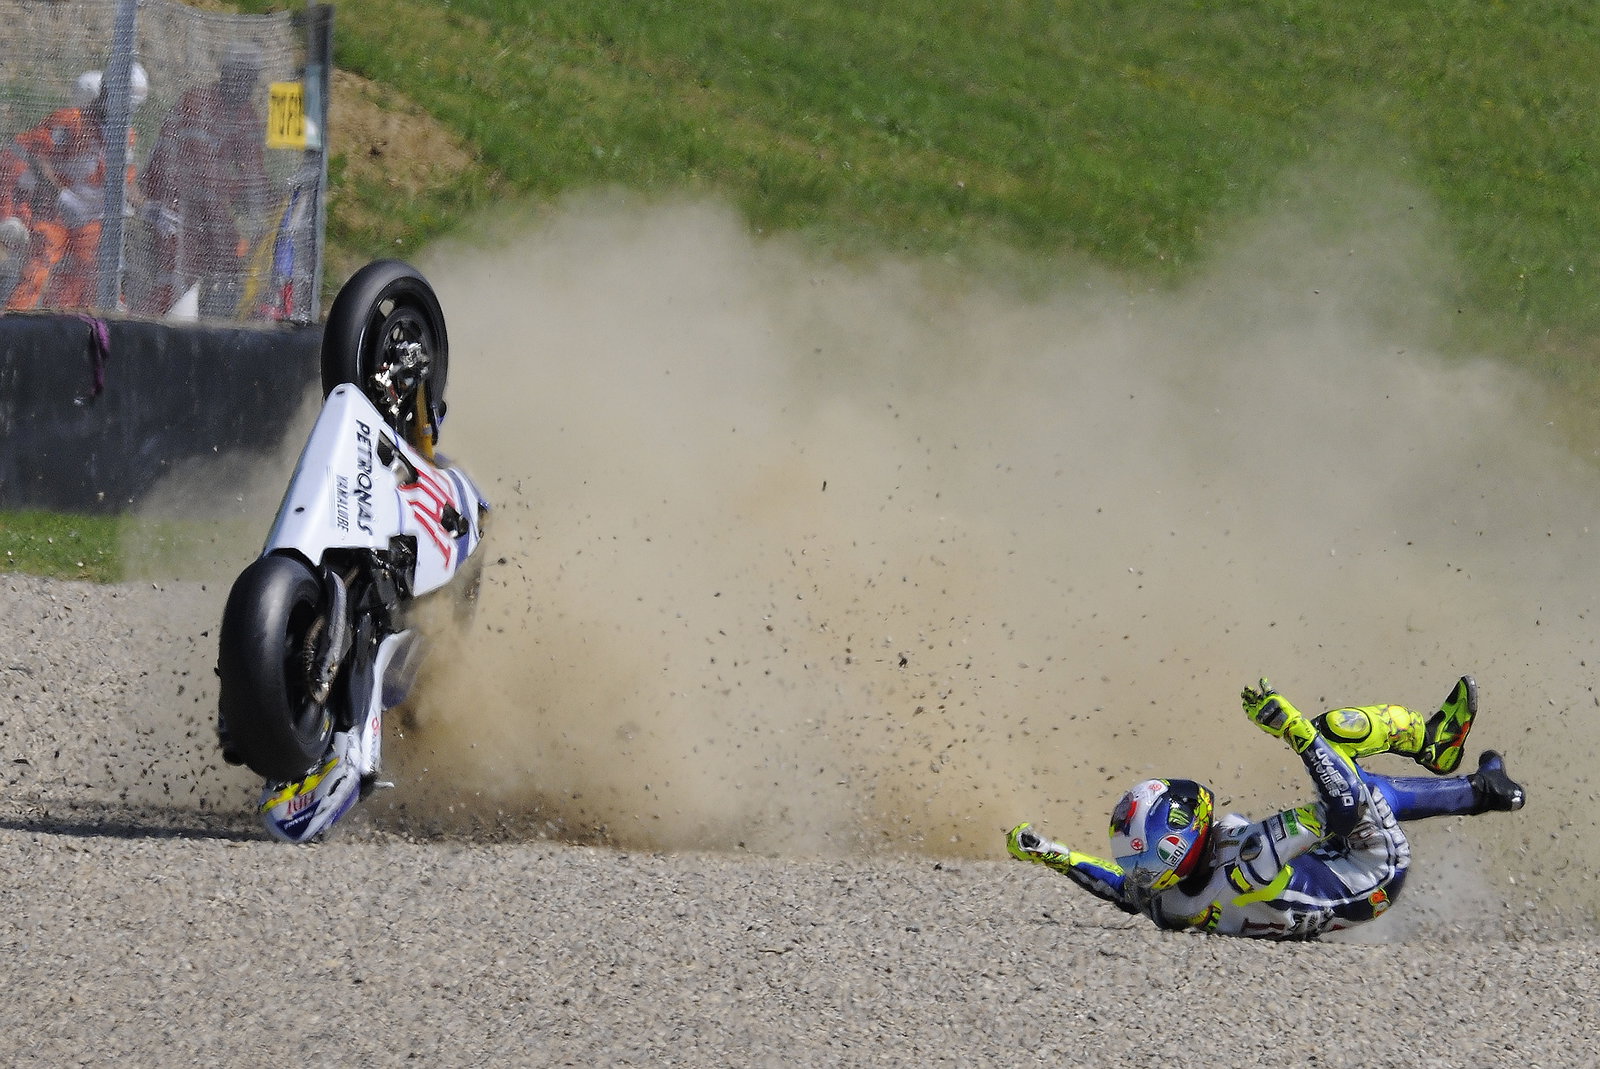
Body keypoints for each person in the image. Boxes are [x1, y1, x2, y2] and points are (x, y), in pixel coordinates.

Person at [1005, 675, 1526, 940]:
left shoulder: (1168, 904)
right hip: (1375, 875)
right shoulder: (1248, 861)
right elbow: (1343, 809)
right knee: (1333, 742)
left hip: (1333, 899)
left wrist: (1052, 854)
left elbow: (1121, 892)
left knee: (1365, 792)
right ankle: (1434, 742)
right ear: (1178, 837)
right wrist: (1292, 728)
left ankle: (1482, 791)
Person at [137, 41, 270, 318]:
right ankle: (144, 330)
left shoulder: (246, 116)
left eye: (250, 77)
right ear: (225, 72)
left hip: (209, 213)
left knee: (233, 270)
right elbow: (198, 174)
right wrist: (236, 194)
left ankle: (212, 332)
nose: (243, 84)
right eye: (238, 74)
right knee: (174, 274)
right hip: (173, 203)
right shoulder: (198, 103)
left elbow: (253, 174)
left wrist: (269, 198)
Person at [1, 65, 147, 311]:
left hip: (90, 219)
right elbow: (37, 156)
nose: (123, 111)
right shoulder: (71, 121)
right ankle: (15, 321)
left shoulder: (126, 136)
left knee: (97, 269)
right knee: (40, 262)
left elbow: (126, 182)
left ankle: (75, 325)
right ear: (105, 92)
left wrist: (149, 207)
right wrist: (64, 198)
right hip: (54, 212)